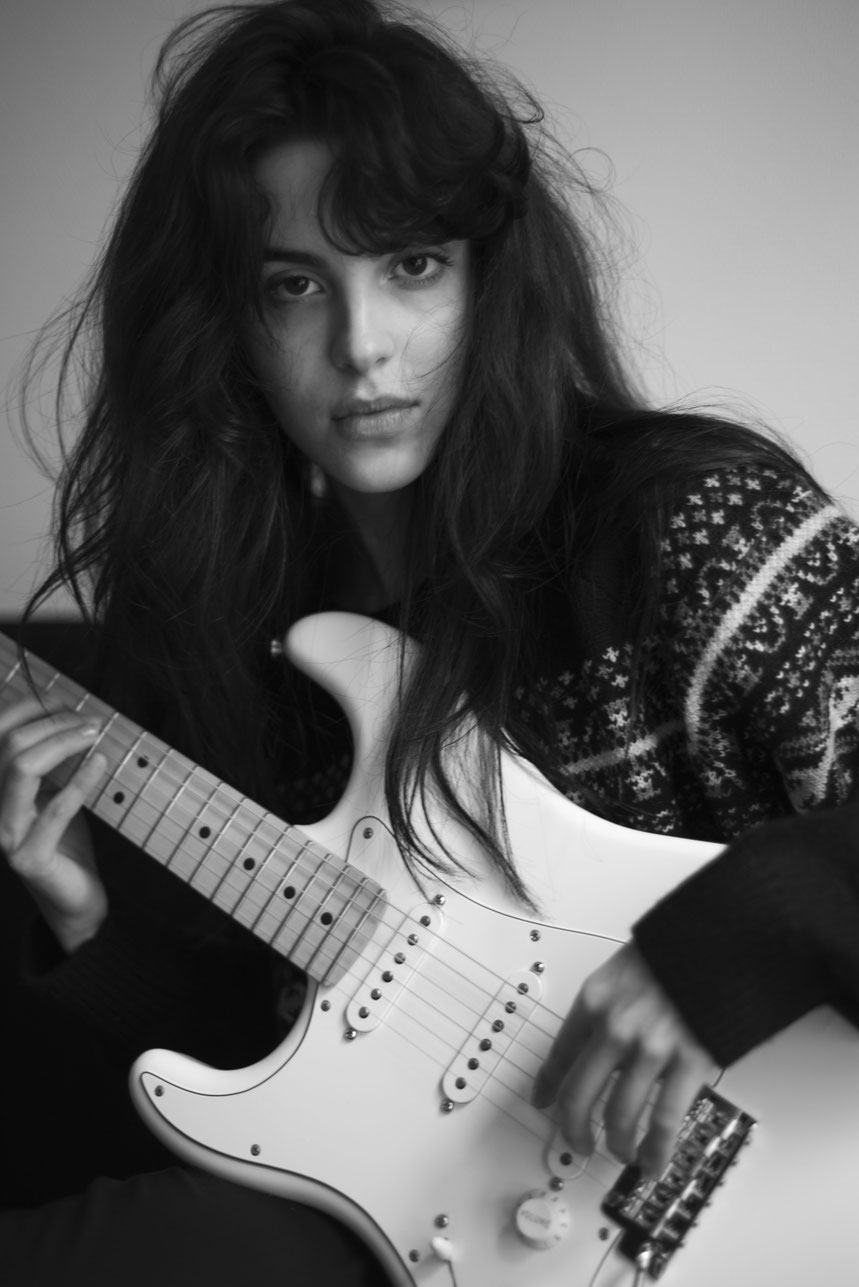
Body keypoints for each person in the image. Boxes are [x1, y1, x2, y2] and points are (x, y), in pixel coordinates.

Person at [1, 0, 858, 1281]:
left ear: (488, 277)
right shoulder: (255, 647)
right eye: (294, 286)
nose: (362, 348)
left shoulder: (692, 519)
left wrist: (715, 952)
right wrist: (90, 922)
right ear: (223, 327)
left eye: (411, 266)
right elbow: (301, 1079)